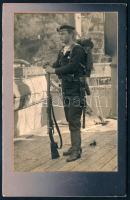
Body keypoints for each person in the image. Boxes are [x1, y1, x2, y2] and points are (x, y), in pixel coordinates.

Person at [46, 24, 87, 162]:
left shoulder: (78, 50)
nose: (61, 36)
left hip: (76, 90)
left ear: (71, 34)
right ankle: (75, 146)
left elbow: (72, 66)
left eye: (63, 33)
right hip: (66, 90)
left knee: (74, 120)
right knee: (70, 118)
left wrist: (54, 71)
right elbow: (58, 64)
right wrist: (49, 67)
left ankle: (76, 150)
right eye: (60, 34)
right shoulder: (63, 50)